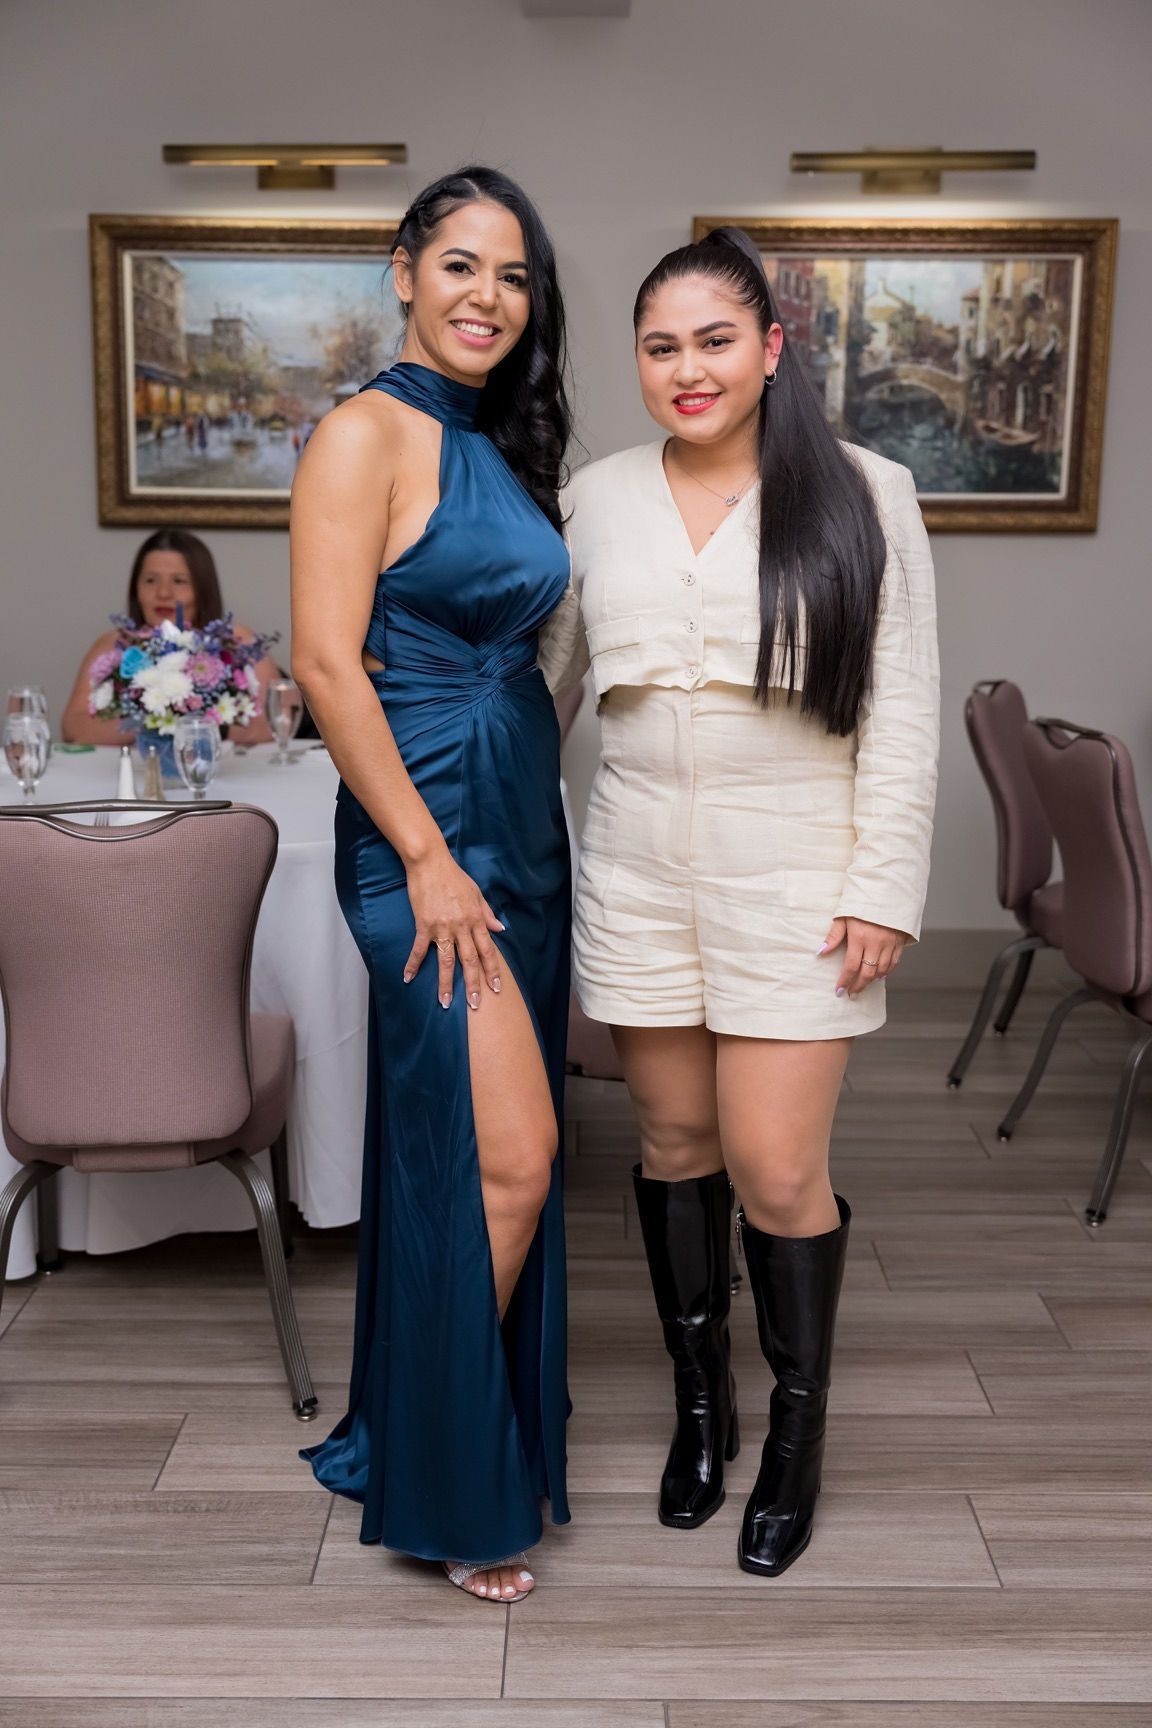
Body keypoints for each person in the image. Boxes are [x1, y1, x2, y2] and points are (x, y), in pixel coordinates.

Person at [540, 228, 939, 1577]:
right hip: (640, 867)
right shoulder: (593, 498)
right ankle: (701, 1411)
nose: (688, 368)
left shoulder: (868, 492)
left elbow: (902, 714)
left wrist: (881, 884)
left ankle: (797, 1437)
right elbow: (545, 688)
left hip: (800, 880)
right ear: (638, 364)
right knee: (670, 1146)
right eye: (661, 347)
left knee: (777, 1171)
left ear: (772, 348)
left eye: (716, 340)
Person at [291, 167, 574, 1605]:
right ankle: (444, 1482)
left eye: (514, 277)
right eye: (460, 264)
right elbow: (329, 666)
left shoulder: (496, 440)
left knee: (471, 1159)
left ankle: (412, 1430)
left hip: (516, 828)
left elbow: (522, 646)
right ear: (402, 271)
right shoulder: (364, 430)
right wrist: (425, 857)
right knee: (512, 1158)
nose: (487, 297)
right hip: (429, 838)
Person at [61, 529, 277, 746]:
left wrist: (189, 722)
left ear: (203, 589)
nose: (163, 593)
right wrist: (153, 720)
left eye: (179, 581)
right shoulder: (114, 644)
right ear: (136, 590)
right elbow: (74, 728)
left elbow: (273, 723)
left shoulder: (238, 642)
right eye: (151, 580)